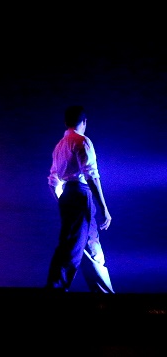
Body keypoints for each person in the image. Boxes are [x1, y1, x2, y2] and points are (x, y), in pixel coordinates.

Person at [45, 105, 114, 293]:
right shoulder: (82, 141)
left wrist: (63, 200)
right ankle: (55, 288)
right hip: (81, 194)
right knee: (72, 247)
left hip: (68, 194)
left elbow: (52, 181)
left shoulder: (59, 146)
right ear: (84, 122)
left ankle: (104, 292)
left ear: (66, 122)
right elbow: (91, 176)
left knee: (91, 246)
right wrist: (104, 208)